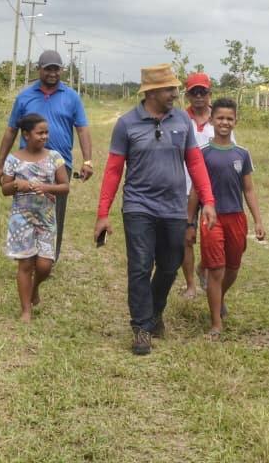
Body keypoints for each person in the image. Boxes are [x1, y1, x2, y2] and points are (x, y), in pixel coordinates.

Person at [94, 64, 217, 356]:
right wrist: (103, 213)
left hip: (174, 208)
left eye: (175, 88)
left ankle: (153, 311)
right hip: (139, 206)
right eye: (169, 89)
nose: (176, 94)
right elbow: (113, 171)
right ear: (151, 92)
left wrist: (208, 201)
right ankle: (141, 329)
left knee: (170, 264)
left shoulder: (182, 122)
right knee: (139, 266)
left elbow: (195, 163)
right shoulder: (127, 124)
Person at [0, 49, 93, 261]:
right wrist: (0, 164)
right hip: (26, 165)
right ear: (39, 69)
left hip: (59, 164)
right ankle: (26, 256)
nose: (52, 73)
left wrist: (87, 160)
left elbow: (82, 128)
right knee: (26, 210)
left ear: (61, 71)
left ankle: (48, 259)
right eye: (48, 69)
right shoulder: (24, 97)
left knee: (54, 214)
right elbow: (11, 130)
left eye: (56, 69)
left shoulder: (71, 97)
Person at [186, 98, 264, 338]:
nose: (224, 122)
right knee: (217, 270)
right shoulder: (203, 154)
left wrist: (258, 220)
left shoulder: (242, 154)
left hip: (236, 218)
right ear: (211, 120)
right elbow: (196, 191)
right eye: (220, 118)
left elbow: (248, 189)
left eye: (229, 118)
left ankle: (217, 296)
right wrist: (189, 222)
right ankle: (216, 323)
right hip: (212, 219)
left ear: (235, 122)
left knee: (232, 269)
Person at [0, 113, 70, 322]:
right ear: (26, 135)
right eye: (40, 133)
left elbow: (65, 187)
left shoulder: (55, 157)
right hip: (21, 219)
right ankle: (26, 310)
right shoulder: (13, 159)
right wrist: (14, 185)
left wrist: (44, 187)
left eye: (46, 132)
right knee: (25, 265)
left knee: (44, 266)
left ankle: (35, 287)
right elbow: (4, 189)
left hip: (46, 219)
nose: (44, 137)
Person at [180, 71, 217, 299]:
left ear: (209, 93)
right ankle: (191, 284)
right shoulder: (181, 119)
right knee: (187, 237)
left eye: (203, 91)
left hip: (212, 190)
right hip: (184, 187)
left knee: (212, 236)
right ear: (188, 95)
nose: (199, 96)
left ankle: (204, 267)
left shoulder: (220, 118)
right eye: (194, 92)